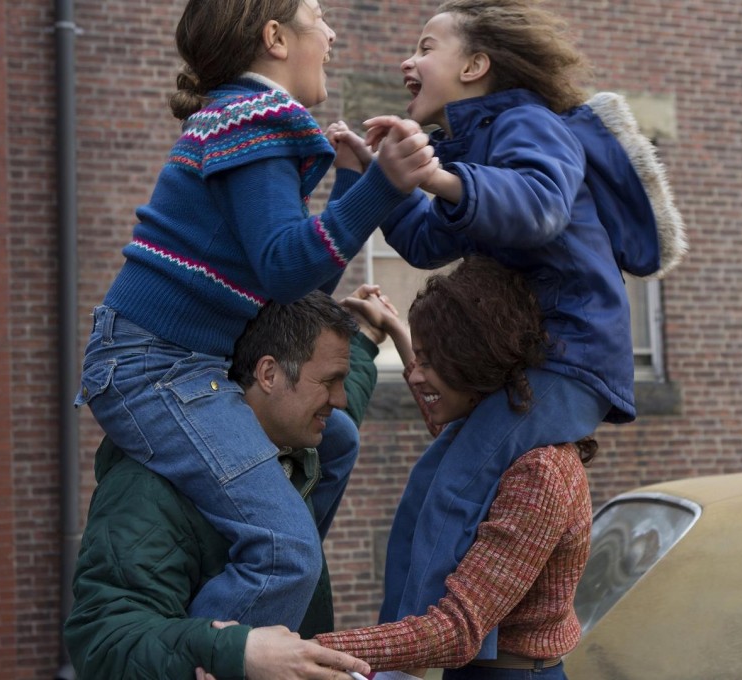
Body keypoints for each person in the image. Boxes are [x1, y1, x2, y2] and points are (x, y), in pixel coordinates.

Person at [328, 0, 686, 662]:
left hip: (573, 357)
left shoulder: (533, 125)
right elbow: (428, 242)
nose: (409, 60)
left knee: (461, 483)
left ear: (475, 64)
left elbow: (541, 207)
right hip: (537, 360)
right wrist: (374, 178)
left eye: (426, 45)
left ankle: (413, 657)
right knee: (426, 488)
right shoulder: (472, 147)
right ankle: (417, 643)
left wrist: (437, 174)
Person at [73, 0, 439, 632]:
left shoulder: (247, 125)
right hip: (150, 369)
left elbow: (293, 290)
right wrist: (384, 184)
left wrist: (353, 185)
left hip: (186, 363)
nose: (331, 33)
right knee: (286, 551)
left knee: (337, 441)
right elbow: (283, 267)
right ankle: (234, 636)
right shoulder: (251, 122)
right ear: (275, 38)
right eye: (318, 17)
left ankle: (262, 581)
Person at [64, 289, 389, 680]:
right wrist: (236, 652)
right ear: (268, 374)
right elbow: (103, 645)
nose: (338, 399)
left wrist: (368, 342)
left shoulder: (296, 445)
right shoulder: (147, 488)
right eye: (330, 381)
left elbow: (345, 412)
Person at [313, 256, 595, 680]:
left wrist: (309, 649)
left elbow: (459, 627)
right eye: (417, 360)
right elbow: (437, 410)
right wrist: (392, 327)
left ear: (471, 362)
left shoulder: (540, 472)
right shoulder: (490, 434)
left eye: (431, 361)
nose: (417, 375)